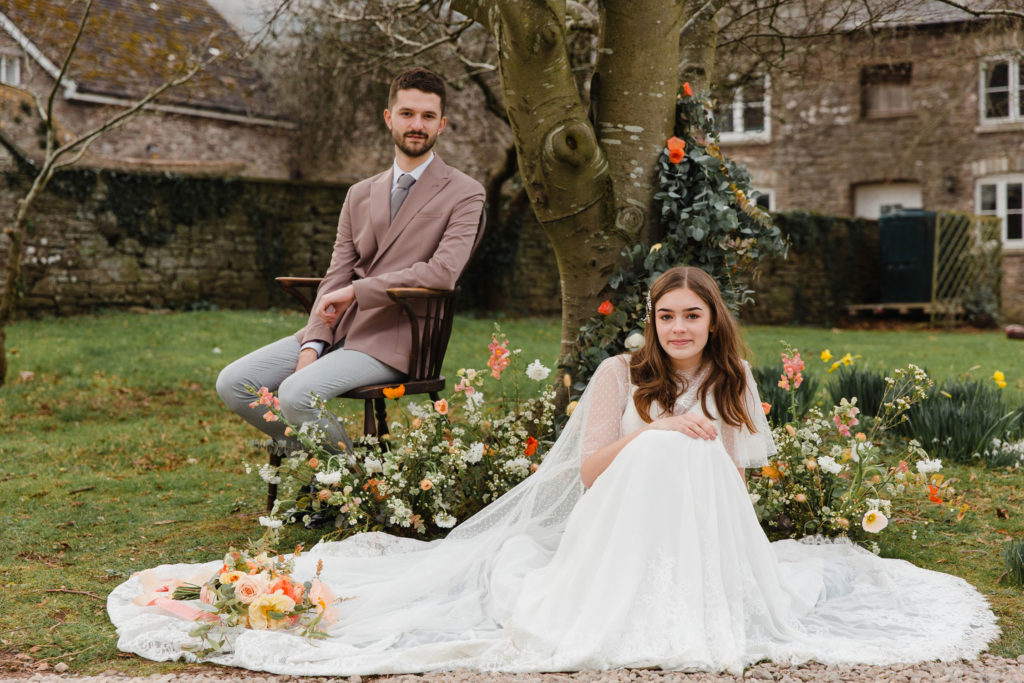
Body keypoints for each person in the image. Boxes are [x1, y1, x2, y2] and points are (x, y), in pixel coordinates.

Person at [111, 266, 997, 675]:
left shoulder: (732, 379)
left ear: (711, 321)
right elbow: (592, 473)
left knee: (691, 453)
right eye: (666, 316)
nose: (678, 328)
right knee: (660, 445)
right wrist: (660, 434)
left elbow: (735, 476)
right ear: (651, 322)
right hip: (614, 524)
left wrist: (694, 435)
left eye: (692, 316)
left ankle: (691, 598)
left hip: (700, 534)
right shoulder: (622, 374)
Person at [216, 67, 485, 449]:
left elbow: (442, 273)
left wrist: (358, 292)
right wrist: (313, 344)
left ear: (441, 125)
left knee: (294, 394)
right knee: (234, 383)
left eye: (427, 116)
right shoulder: (359, 193)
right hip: (340, 327)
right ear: (389, 118)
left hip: (400, 334)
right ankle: (322, 462)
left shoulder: (465, 192)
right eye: (407, 114)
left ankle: (354, 491)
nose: (417, 125)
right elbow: (336, 276)